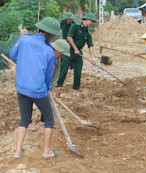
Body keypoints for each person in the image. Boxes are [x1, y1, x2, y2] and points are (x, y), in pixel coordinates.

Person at [9, 17, 62, 160]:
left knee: (24, 119)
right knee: (49, 120)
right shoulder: (49, 51)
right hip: (37, 91)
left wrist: (20, 39)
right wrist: (48, 89)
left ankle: (17, 152)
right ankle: (46, 152)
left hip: (21, 88)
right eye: (53, 36)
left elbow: (12, 55)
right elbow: (48, 75)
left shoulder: (24, 40)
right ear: (50, 35)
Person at [57, 13, 96, 91]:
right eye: (91, 21)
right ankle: (57, 87)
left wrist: (93, 58)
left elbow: (90, 45)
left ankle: (76, 88)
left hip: (78, 52)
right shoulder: (75, 26)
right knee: (63, 70)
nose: (92, 23)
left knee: (78, 71)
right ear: (87, 20)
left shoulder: (88, 33)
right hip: (68, 50)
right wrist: (75, 48)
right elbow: (69, 37)